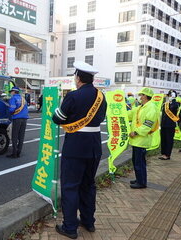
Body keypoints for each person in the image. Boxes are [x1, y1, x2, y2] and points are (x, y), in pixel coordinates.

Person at [52, 61, 107, 239]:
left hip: (75, 146)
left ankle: (70, 227)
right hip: (94, 146)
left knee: (70, 186)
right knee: (88, 184)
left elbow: (58, 118)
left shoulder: (73, 96)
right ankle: (88, 221)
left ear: (78, 78)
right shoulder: (101, 96)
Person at [128, 87, 159, 189]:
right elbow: (130, 115)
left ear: (145, 96)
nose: (140, 97)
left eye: (141, 95)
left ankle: (141, 182)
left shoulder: (151, 108)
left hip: (141, 139)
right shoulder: (141, 107)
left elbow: (148, 125)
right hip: (137, 140)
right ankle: (139, 179)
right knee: (136, 161)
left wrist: (136, 132)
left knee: (139, 162)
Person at [7, 87, 29, 158]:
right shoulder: (23, 99)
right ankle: (19, 152)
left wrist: (10, 112)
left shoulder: (13, 98)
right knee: (21, 136)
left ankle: (14, 153)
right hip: (24, 119)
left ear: (14, 92)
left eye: (11, 91)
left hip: (17, 119)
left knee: (15, 136)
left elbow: (11, 109)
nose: (11, 93)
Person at [159, 90, 180, 160]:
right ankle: (163, 153)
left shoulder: (176, 104)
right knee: (163, 139)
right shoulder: (165, 104)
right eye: (169, 95)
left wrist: (173, 99)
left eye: (170, 95)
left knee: (169, 140)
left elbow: (173, 108)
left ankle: (167, 154)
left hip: (170, 125)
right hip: (164, 124)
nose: (169, 97)